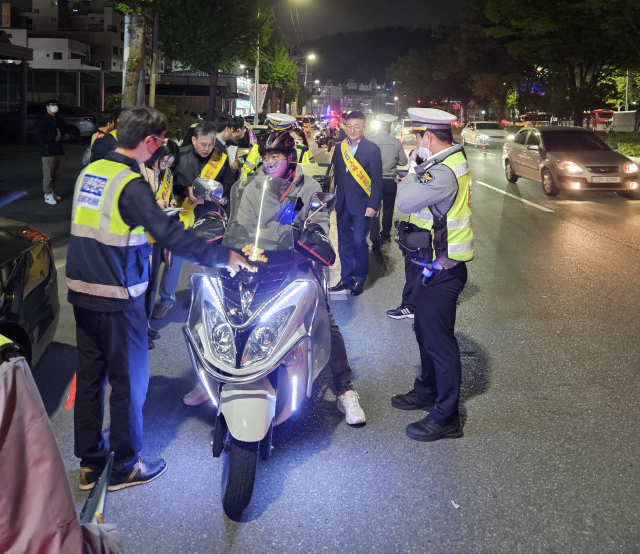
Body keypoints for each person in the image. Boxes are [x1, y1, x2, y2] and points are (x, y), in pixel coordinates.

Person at [66, 106, 253, 492]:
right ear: (149, 141)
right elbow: (170, 235)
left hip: (82, 291)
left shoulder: (92, 171)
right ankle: (124, 468)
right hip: (119, 296)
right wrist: (224, 256)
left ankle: (90, 462)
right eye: (161, 140)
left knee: (89, 379)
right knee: (129, 383)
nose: (163, 147)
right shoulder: (129, 184)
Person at [231, 128, 367, 424]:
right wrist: (285, 232)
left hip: (298, 266)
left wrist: (302, 236)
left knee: (324, 320)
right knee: (227, 309)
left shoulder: (309, 187)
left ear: (290, 158)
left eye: (275, 157)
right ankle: (220, 374)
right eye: (265, 157)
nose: (268, 163)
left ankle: (345, 390)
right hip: (259, 266)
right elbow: (242, 227)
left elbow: (317, 226)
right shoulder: (253, 188)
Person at [391, 107, 473, 442]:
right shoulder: (443, 165)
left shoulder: (441, 172)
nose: (415, 144)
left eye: (416, 138)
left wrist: (412, 171)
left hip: (442, 272)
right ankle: (426, 390)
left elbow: (405, 200)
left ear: (428, 137)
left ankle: (446, 417)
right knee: (424, 334)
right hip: (432, 266)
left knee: (440, 344)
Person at [151, 120, 228, 321]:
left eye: (211, 144)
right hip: (182, 213)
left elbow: (229, 182)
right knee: (174, 257)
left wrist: (222, 193)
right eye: (203, 144)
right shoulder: (179, 155)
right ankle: (166, 300)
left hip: (209, 215)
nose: (207, 148)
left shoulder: (220, 158)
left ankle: (215, 297)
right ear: (193, 139)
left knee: (210, 257)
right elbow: (168, 181)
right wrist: (186, 190)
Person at [329, 110, 382, 296]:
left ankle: (360, 278)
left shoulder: (372, 149)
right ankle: (346, 278)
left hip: (362, 205)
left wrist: (373, 205)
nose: (352, 130)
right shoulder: (339, 148)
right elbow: (337, 176)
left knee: (359, 241)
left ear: (363, 127)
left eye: (356, 126)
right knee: (343, 243)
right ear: (345, 126)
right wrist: (332, 198)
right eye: (349, 126)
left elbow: (376, 181)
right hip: (342, 203)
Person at [139, 140, 180, 349]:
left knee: (152, 283)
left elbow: (170, 196)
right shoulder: (139, 170)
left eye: (169, 163)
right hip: (139, 237)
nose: (165, 165)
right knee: (141, 284)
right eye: (163, 161)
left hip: (156, 235)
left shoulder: (167, 175)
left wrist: (172, 205)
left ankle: (144, 325)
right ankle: (137, 332)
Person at [368, 113, 408, 249]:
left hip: (374, 181)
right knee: (388, 209)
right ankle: (385, 235)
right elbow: (403, 161)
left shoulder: (371, 141)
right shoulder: (396, 142)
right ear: (390, 127)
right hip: (390, 181)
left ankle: (374, 236)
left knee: (374, 207)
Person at [33, 99, 69, 205]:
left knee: (58, 173)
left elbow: (65, 129)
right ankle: (47, 194)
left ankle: (51, 191)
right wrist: (53, 138)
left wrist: (66, 134)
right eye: (52, 105)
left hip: (59, 150)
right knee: (48, 174)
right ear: (47, 107)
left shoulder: (59, 119)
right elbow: (38, 135)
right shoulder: (42, 120)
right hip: (48, 151)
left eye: (56, 105)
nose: (55, 107)